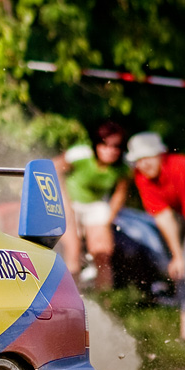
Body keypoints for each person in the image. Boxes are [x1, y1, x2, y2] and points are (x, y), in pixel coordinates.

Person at [128, 131, 185, 342]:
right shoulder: (143, 177)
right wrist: (177, 256)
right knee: (183, 267)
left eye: (148, 157)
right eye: (139, 160)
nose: (144, 164)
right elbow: (164, 217)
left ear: (161, 155)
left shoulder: (182, 166)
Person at [54, 121, 130, 289]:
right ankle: (70, 294)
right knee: (72, 248)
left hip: (96, 205)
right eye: (105, 144)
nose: (110, 150)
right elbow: (52, 169)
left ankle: (105, 299)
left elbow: (120, 193)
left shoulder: (123, 167)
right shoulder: (81, 154)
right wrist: (61, 202)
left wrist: (107, 219)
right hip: (69, 201)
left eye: (116, 146)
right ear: (97, 143)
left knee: (102, 252)